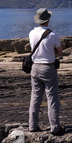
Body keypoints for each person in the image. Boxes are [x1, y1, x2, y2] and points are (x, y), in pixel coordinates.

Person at [28, 8, 65, 136]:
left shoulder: (32, 33)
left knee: (35, 97)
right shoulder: (52, 35)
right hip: (48, 68)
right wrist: (53, 52)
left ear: (38, 20)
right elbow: (59, 52)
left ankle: (32, 125)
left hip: (35, 67)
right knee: (52, 98)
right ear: (48, 20)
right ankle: (55, 127)